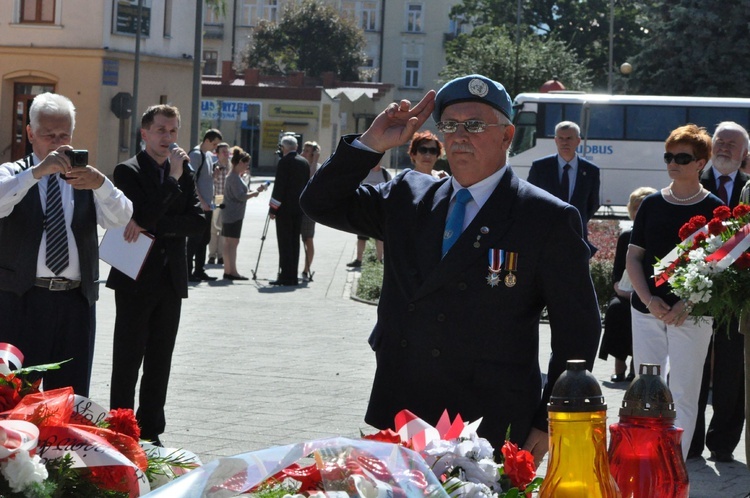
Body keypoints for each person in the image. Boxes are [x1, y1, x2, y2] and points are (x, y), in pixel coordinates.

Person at [300, 74, 601, 465]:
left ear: (507, 136)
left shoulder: (545, 217)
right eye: (449, 125)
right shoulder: (408, 194)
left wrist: (549, 419)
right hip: (405, 408)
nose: (460, 135)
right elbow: (318, 203)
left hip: (490, 418)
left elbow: (578, 328)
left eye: (475, 125)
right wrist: (372, 143)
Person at [0, 92, 132, 396]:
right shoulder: (15, 173)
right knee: (18, 396)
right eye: (48, 135)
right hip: (23, 300)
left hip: (75, 302)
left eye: (64, 135)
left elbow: (122, 216)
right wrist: (36, 174)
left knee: (72, 396)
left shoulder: (85, 179)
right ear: (31, 133)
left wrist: (102, 184)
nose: (57, 144)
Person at [107, 104, 205, 445]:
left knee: (160, 359)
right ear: (144, 133)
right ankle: (121, 428)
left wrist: (157, 224)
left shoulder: (184, 170)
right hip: (135, 276)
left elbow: (198, 222)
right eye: (162, 130)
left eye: (174, 130)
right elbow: (143, 214)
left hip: (171, 277)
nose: (169, 137)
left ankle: (151, 429)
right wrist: (173, 183)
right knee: (128, 358)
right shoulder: (128, 171)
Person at [626, 123, 724, 461]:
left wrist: (687, 301)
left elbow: (718, 263)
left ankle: (672, 464)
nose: (673, 163)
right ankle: (646, 460)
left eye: (682, 157)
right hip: (646, 310)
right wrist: (648, 299)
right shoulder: (651, 203)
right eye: (669, 156)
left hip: (692, 312)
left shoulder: (715, 208)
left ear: (700, 163)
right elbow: (633, 256)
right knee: (647, 388)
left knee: (684, 391)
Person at [689, 121, 750, 462]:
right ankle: (691, 441)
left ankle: (723, 443)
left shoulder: (749, 188)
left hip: (735, 300)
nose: (725, 147)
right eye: (720, 142)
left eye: (733, 144)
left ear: (745, 154)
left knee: (732, 375)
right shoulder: (689, 182)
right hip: (695, 296)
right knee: (691, 369)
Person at [598, 186, 656, 382]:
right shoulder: (625, 236)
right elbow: (616, 271)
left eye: (645, 207)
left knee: (639, 310)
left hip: (650, 293)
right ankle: (619, 365)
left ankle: (635, 367)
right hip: (625, 292)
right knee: (616, 310)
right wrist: (618, 289)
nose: (641, 211)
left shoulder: (657, 236)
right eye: (637, 207)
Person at [528, 121, 601, 255]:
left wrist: (575, 219)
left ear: (578, 141)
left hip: (577, 238)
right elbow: (529, 200)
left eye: (569, 138)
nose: (564, 142)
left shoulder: (591, 171)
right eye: (560, 138)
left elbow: (593, 203)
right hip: (545, 237)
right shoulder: (540, 167)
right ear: (555, 140)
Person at [268, 135, 310, 286]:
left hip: (284, 210)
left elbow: (279, 187)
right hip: (298, 209)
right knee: (294, 242)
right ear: (296, 147)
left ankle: (285, 275)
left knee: (285, 242)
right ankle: (293, 275)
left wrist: (273, 209)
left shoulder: (284, 162)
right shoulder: (304, 162)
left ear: (283, 148)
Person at [222, 147, 267, 280]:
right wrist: (254, 193)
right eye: (246, 164)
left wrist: (253, 191)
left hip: (229, 213)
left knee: (228, 243)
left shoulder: (233, 177)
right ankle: (232, 271)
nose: (246, 167)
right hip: (234, 214)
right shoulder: (234, 178)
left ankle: (228, 270)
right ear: (240, 163)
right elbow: (240, 196)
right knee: (233, 243)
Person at [187, 128, 223, 282]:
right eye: (214, 144)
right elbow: (191, 181)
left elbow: (206, 178)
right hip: (199, 206)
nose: (215, 148)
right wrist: (201, 201)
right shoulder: (196, 155)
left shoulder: (208, 155)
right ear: (207, 140)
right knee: (195, 239)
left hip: (208, 204)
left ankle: (199, 270)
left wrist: (214, 176)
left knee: (204, 238)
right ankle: (188, 271)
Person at [346, 162, 392, 268]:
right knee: (361, 236)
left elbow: (390, 189)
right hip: (365, 210)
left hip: (380, 210)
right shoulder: (365, 172)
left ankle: (380, 260)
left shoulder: (386, 174)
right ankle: (358, 260)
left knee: (380, 238)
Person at [300, 141, 321, 281]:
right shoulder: (299, 163)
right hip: (296, 206)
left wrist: (314, 161)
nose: (305, 153)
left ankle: (306, 270)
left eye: (309, 151)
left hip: (308, 209)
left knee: (308, 239)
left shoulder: (316, 167)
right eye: (304, 150)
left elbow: (311, 180)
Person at [208, 142, 231, 266]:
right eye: (224, 152)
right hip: (215, 200)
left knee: (223, 230)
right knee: (213, 230)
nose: (226, 154)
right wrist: (214, 176)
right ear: (217, 154)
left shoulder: (232, 167)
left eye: (227, 152)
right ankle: (211, 255)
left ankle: (221, 256)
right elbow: (207, 184)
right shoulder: (212, 167)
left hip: (227, 201)